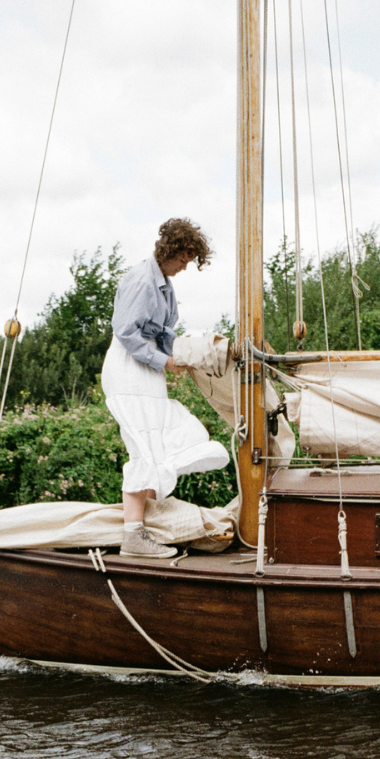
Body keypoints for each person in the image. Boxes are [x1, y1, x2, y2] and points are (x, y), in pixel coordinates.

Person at [102, 218, 230, 557]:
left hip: (146, 370)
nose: (185, 267)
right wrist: (165, 361)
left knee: (161, 442)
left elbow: (163, 334)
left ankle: (151, 527)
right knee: (145, 447)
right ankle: (133, 537)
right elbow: (127, 332)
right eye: (185, 260)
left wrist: (187, 351)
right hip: (129, 369)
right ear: (172, 251)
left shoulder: (163, 283)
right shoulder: (143, 280)